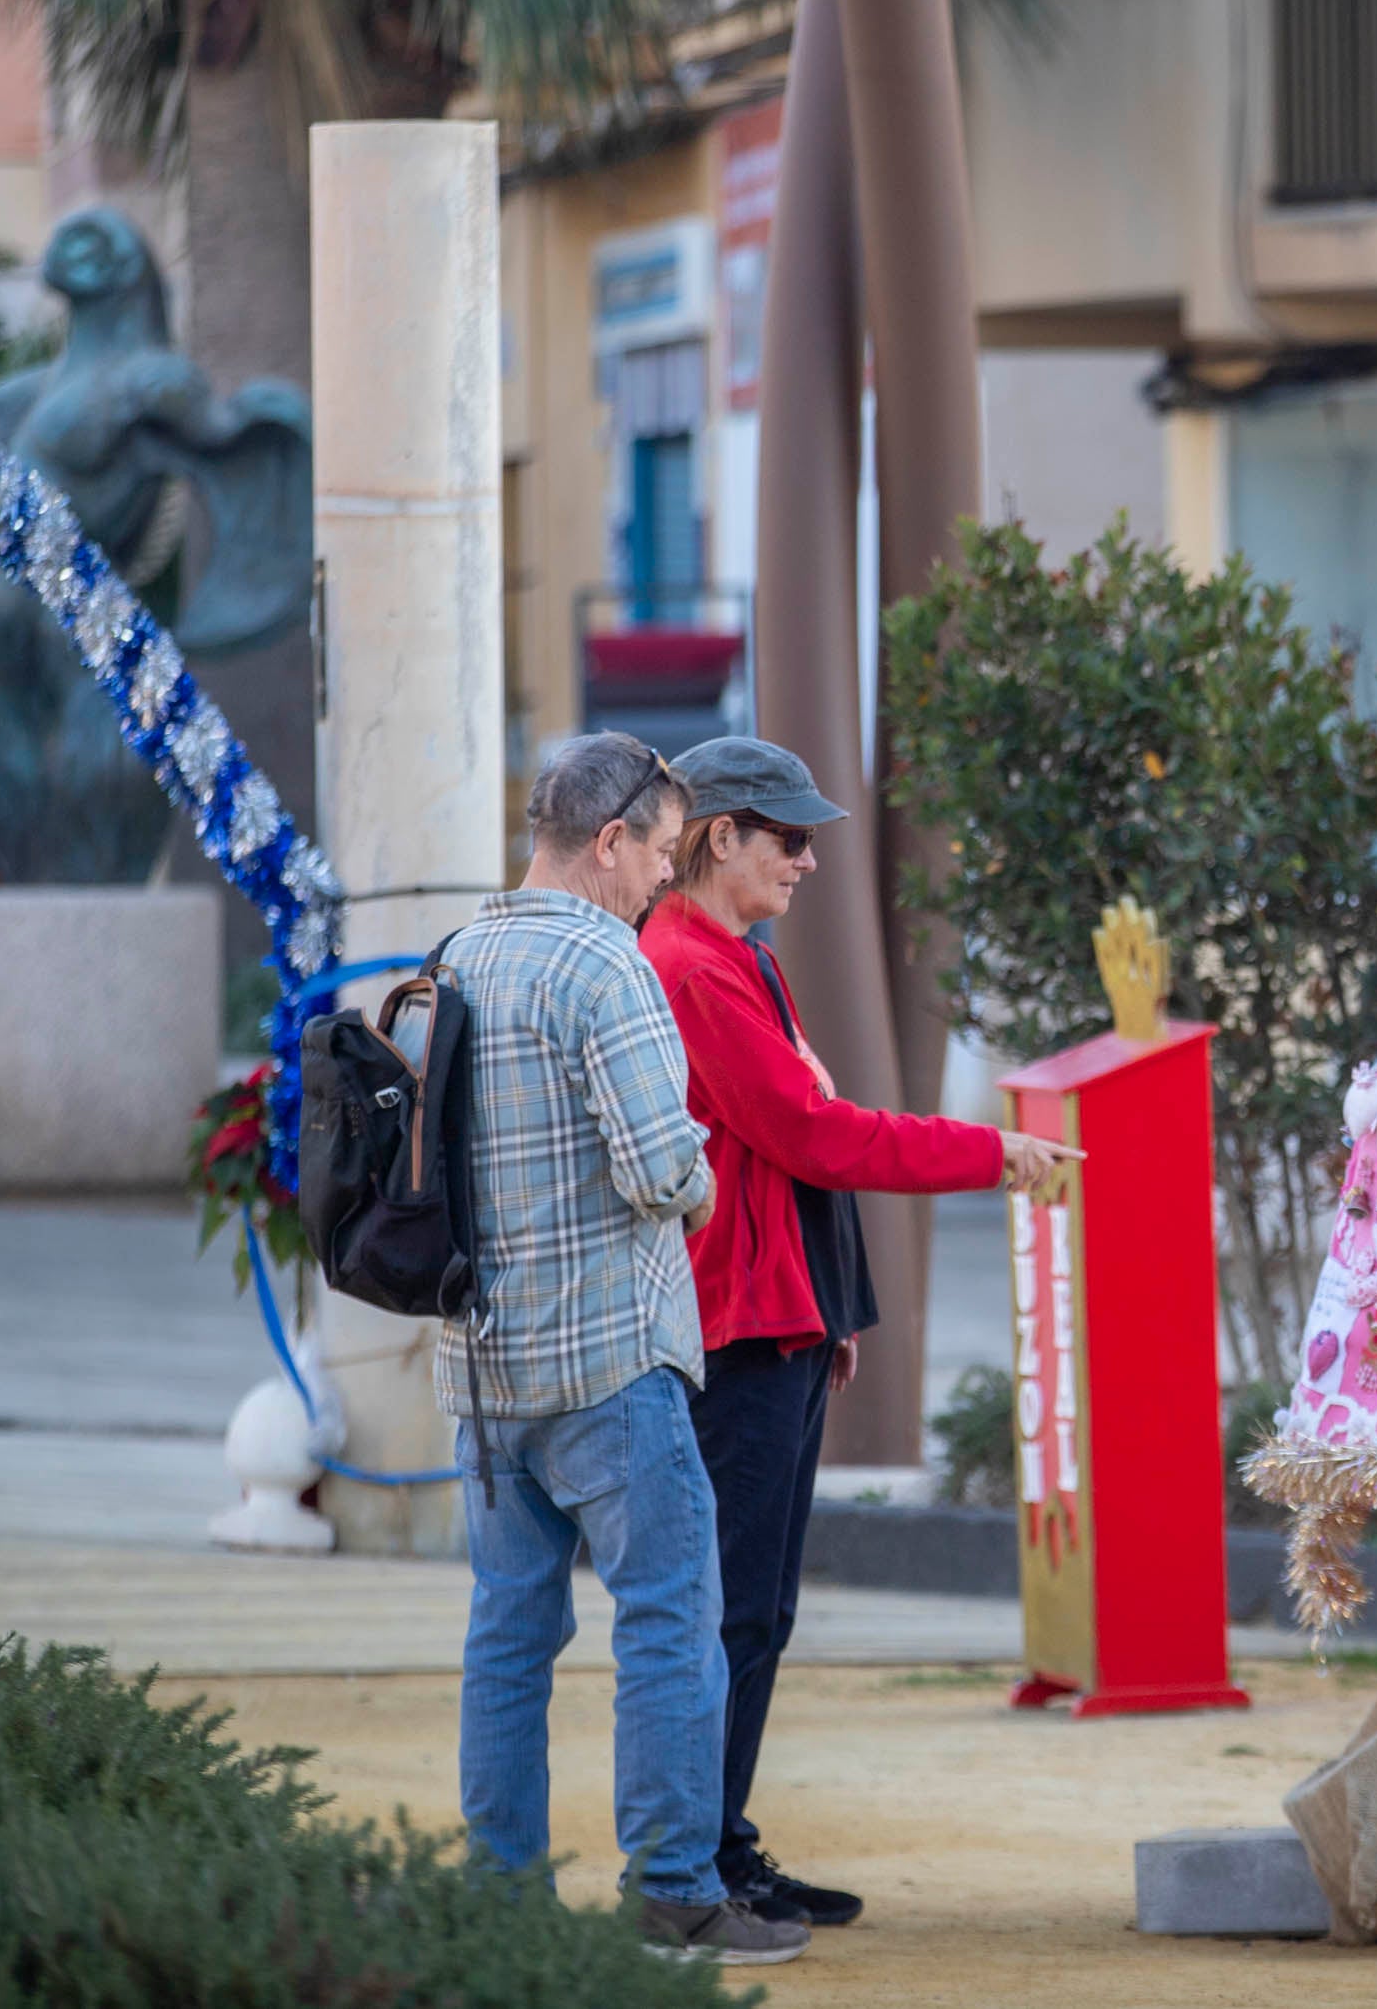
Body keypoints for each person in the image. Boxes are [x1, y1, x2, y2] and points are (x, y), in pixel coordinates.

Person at [639, 735, 1077, 1929]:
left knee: (753, 1610)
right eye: (789, 837)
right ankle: (694, 1866)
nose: (810, 859)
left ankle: (716, 1850)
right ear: (719, 834)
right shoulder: (693, 963)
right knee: (731, 1612)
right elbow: (814, 1136)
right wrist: (991, 1152)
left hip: (767, 1321)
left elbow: (795, 1144)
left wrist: (829, 1310)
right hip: (736, 1331)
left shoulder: (723, 955)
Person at [437, 732, 800, 1968]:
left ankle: (496, 1895)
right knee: (666, 1619)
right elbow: (664, 1169)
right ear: (610, 841)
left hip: (483, 1373)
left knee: (507, 1633)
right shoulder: (610, 967)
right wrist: (699, 1189)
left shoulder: (461, 954)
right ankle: (674, 1891)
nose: (661, 872)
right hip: (610, 1361)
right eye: (655, 846)